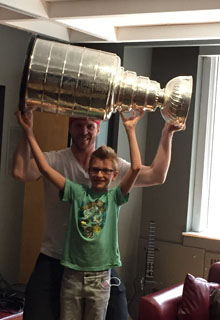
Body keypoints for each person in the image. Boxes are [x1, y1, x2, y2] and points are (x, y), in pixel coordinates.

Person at [13, 109, 184, 320]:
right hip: (55, 257)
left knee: (119, 315)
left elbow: (157, 175)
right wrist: (26, 131)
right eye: (78, 125)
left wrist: (167, 133)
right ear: (70, 127)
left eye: (89, 126)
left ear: (97, 129)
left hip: (98, 265)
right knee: (37, 313)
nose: (83, 131)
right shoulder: (55, 160)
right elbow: (21, 172)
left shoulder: (112, 166)